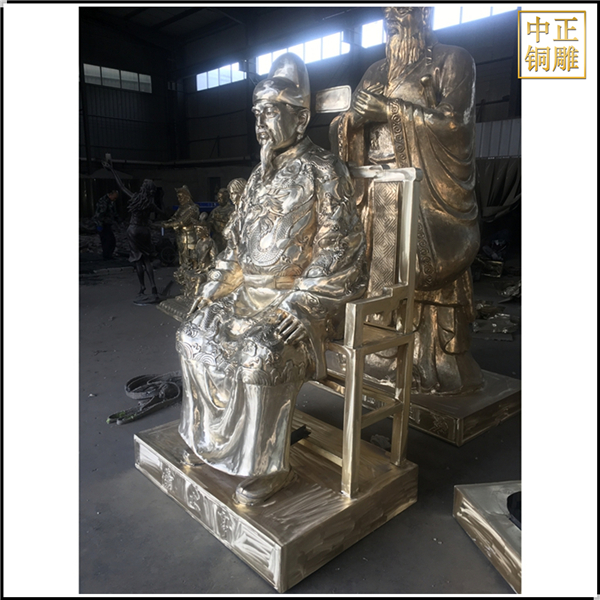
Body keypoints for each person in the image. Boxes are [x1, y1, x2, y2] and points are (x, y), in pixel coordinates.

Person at [176, 53, 368, 506]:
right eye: (256, 113)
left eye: (270, 112)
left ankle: (267, 465)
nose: (259, 123)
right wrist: (214, 287)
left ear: (300, 118)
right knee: (192, 335)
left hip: (300, 303)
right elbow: (237, 248)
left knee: (259, 356)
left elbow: (341, 248)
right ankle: (208, 444)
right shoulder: (258, 177)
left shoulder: (325, 170)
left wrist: (302, 304)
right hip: (247, 295)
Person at [329, 6, 483, 395]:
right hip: (377, 194)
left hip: (425, 194)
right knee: (376, 279)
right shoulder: (375, 71)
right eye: (388, 13)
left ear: (424, 14)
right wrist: (352, 122)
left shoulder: (454, 60)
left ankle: (430, 361)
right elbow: (344, 125)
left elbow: (455, 124)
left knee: (421, 271)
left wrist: (390, 111)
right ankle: (381, 356)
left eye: (403, 11)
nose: (394, 20)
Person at [92, 190, 119, 259]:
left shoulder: (110, 202)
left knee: (110, 240)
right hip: (102, 224)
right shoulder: (103, 202)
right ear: (111, 195)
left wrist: (117, 219)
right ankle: (107, 255)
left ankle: (108, 255)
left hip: (107, 223)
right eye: (114, 197)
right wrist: (99, 225)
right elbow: (99, 214)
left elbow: (113, 212)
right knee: (107, 240)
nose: (115, 199)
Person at [207, 187, 234, 253]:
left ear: (226, 198)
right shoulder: (215, 211)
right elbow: (209, 222)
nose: (218, 200)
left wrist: (220, 220)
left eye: (220, 198)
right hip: (216, 238)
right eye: (218, 198)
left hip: (227, 239)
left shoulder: (232, 210)